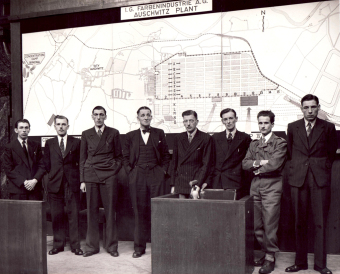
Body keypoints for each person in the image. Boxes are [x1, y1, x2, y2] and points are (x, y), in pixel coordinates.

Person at [285, 94, 337, 274]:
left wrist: (321, 168)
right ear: (301, 108)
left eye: (313, 107)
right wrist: (301, 167)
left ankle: (320, 265)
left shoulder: (328, 128)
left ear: (319, 107)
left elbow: (330, 153)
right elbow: (292, 152)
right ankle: (300, 263)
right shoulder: (293, 127)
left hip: (319, 179)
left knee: (320, 222)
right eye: (306, 107)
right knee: (299, 222)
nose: (310, 111)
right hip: (298, 179)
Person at [242, 110, 287, 274]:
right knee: (257, 225)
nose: (263, 126)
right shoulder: (254, 144)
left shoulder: (280, 143)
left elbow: (275, 164)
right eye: (260, 123)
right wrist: (260, 162)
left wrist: (256, 168)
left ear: (272, 124)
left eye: (266, 123)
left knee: (270, 223)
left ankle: (270, 257)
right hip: (256, 186)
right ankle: (265, 251)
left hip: (272, 185)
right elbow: (245, 163)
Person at [123, 106, 170, 258]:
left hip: (156, 175)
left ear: (151, 117)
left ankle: (159, 246)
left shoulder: (159, 133)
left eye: (148, 115)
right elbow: (124, 158)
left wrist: (162, 172)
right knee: (139, 212)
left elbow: (165, 156)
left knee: (157, 211)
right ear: (138, 118)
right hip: (137, 176)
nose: (145, 117)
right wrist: (131, 173)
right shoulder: (130, 136)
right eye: (142, 115)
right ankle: (139, 248)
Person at [79, 106, 122, 257]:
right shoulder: (86, 134)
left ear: (105, 116)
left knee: (110, 212)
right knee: (92, 212)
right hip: (90, 175)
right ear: (92, 116)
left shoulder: (114, 133)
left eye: (101, 115)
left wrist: (113, 171)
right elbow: (82, 159)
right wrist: (82, 180)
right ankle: (91, 247)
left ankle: (111, 246)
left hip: (109, 175)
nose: (98, 117)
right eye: (96, 115)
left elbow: (119, 157)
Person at [43, 115, 83, 256]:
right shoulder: (49, 143)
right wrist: (54, 176)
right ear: (55, 126)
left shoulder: (76, 142)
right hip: (55, 183)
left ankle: (75, 246)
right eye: (58, 124)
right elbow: (46, 164)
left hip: (72, 183)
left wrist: (80, 180)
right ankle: (58, 245)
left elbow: (81, 163)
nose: (61, 126)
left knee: (74, 215)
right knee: (57, 215)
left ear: (68, 126)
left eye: (63, 124)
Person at [170, 110, 213, 199]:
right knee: (180, 211)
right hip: (180, 184)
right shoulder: (178, 138)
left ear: (197, 122)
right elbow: (174, 163)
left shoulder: (205, 138)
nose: (188, 124)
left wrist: (199, 183)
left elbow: (206, 164)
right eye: (186, 121)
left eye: (191, 120)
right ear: (183, 123)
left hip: (195, 182)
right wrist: (173, 184)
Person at [211, 108, 251, 199]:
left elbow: (247, 161)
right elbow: (211, 162)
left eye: (231, 118)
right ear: (222, 121)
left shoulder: (245, 138)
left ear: (236, 119)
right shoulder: (215, 138)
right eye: (225, 119)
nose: (228, 122)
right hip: (219, 182)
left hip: (236, 181)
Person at [2, 119, 45, 200]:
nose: (24, 130)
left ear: (29, 129)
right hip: (18, 189)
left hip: (35, 189)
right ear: (16, 130)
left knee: (35, 213)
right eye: (21, 128)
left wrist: (34, 180)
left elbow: (42, 165)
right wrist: (24, 182)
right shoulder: (9, 147)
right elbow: (8, 169)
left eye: (26, 127)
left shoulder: (36, 145)